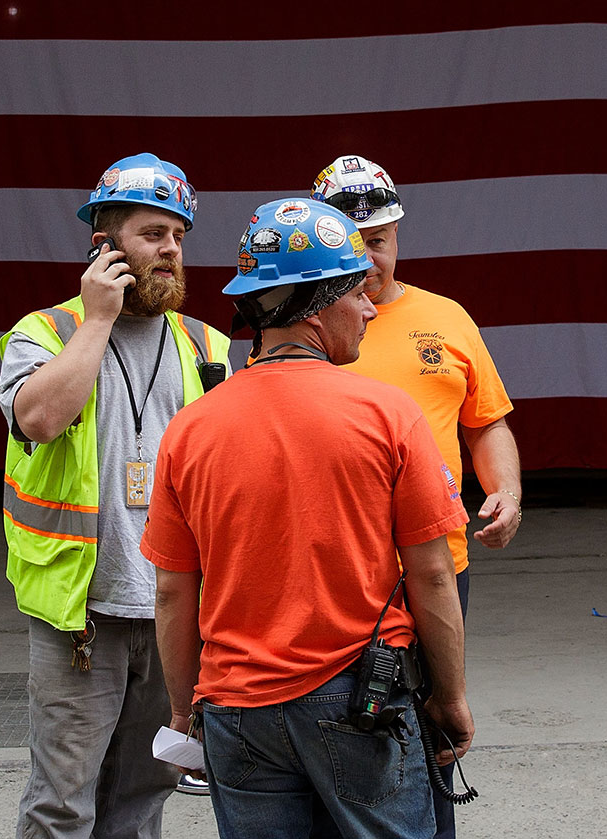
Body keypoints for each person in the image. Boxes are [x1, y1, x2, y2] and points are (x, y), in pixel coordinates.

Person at [143, 198, 475, 838]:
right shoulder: (388, 415)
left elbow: (172, 591)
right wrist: (451, 697)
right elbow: (434, 575)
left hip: (236, 710)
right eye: (358, 293)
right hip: (360, 699)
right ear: (318, 305)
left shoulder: (188, 431)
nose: (370, 310)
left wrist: (184, 713)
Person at [0, 152, 229, 839]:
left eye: (179, 236)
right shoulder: (46, 333)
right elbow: (39, 418)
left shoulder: (207, 346)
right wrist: (98, 320)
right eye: (153, 234)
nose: (171, 250)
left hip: (174, 613)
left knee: (142, 798)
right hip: (82, 615)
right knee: (62, 805)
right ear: (105, 245)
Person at [311, 155, 518, 837]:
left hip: (438, 565)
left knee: (433, 734)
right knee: (341, 737)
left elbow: (486, 422)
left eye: (378, 240)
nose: (368, 258)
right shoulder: (309, 327)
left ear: (398, 234)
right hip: (339, 571)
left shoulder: (447, 318)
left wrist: (507, 490)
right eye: (351, 242)